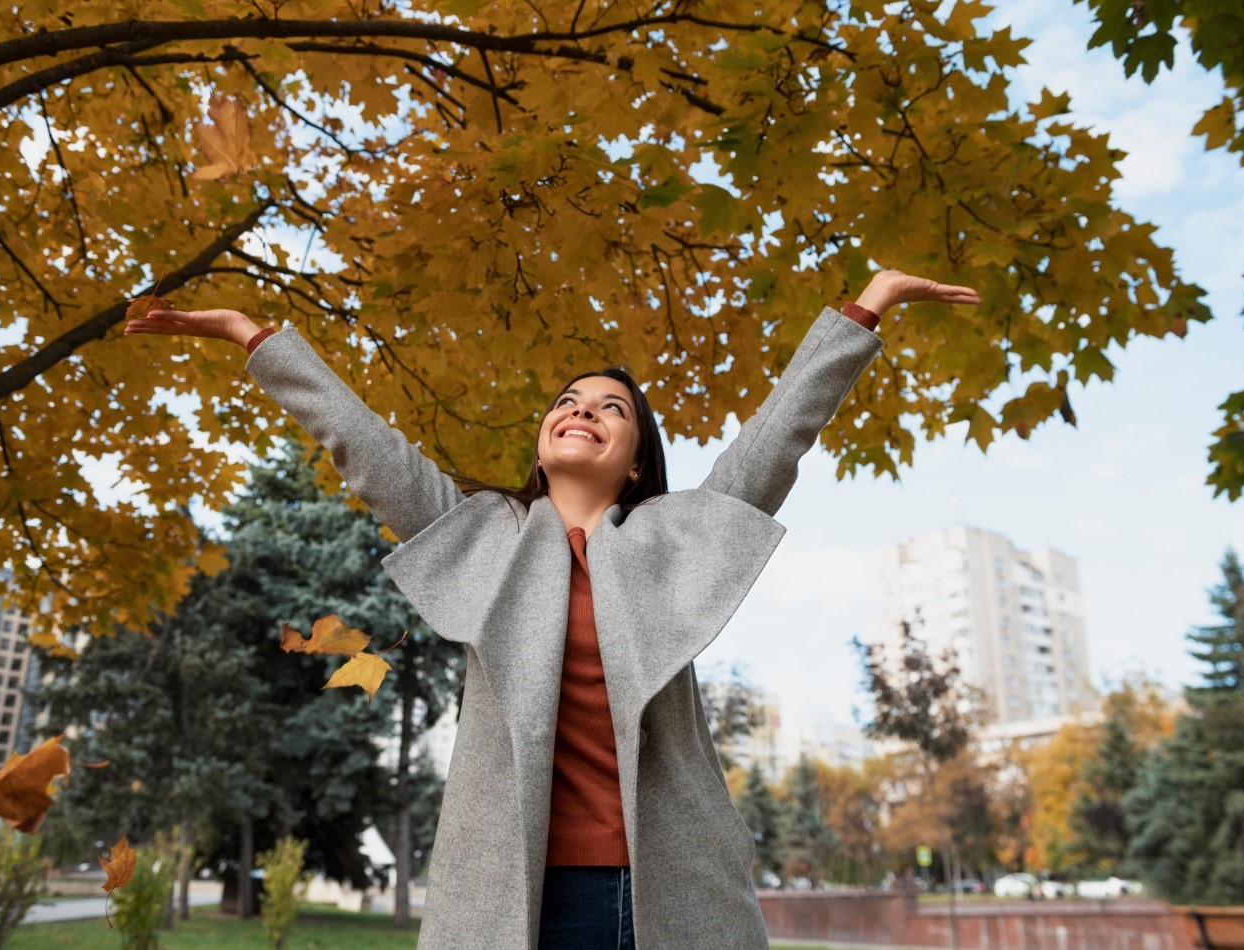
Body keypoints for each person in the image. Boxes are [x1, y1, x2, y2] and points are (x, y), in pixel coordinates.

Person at [125, 269, 979, 949]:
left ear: (636, 462)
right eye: (569, 400)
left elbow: (773, 441)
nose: (582, 411)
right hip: (517, 895)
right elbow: (364, 444)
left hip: (669, 893)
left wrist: (869, 302)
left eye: (611, 409)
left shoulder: (674, 539)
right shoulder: (482, 536)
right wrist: (254, 336)